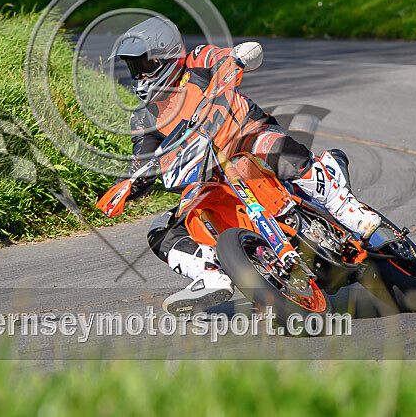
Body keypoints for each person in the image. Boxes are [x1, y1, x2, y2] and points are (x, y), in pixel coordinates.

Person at [109, 16, 381, 316]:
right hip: (206, 173)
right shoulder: (143, 117)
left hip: (246, 137)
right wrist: (132, 181)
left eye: (145, 66)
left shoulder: (198, 59)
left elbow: (231, 57)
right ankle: (210, 274)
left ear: (167, 56)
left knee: (270, 146)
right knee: (162, 229)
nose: (140, 76)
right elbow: (143, 157)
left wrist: (238, 59)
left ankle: (344, 206)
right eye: (134, 68)